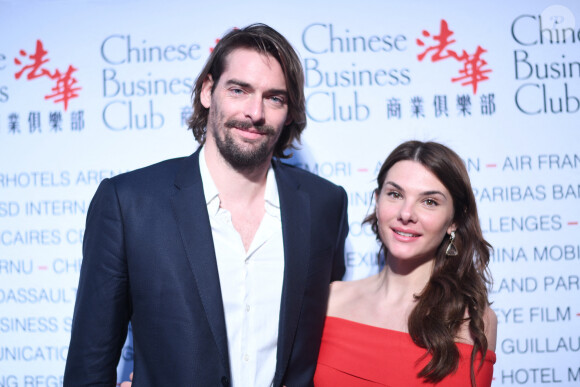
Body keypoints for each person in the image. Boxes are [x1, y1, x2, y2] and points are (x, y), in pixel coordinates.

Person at [64, 23, 348, 387]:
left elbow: (326, 341)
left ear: (289, 111)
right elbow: (90, 364)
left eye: (274, 97)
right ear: (207, 92)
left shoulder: (325, 204)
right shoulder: (130, 203)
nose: (255, 112)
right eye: (238, 90)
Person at [314, 141, 497, 386]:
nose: (406, 213)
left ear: (455, 220)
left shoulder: (472, 320)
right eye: (395, 194)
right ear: (377, 201)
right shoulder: (330, 300)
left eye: (429, 201)